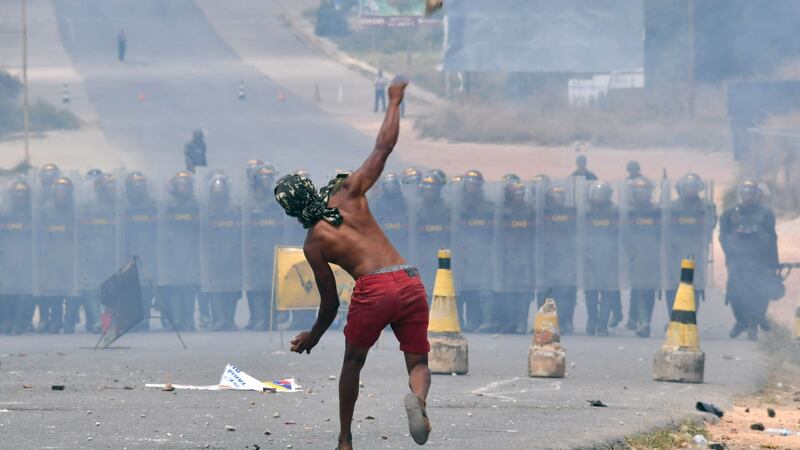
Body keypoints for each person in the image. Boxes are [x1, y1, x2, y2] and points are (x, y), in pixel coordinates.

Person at [274, 81, 431, 449]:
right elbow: (384, 147)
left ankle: (345, 440)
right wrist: (394, 100)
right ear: (312, 188)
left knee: (352, 364)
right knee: (418, 361)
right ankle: (419, 402)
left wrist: (312, 336)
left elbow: (329, 303)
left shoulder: (314, 242)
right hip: (407, 280)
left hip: (374, 288)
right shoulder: (349, 193)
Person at [720, 180, 779, 341]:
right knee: (734, 293)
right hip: (737, 260)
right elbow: (723, 237)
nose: (748, 196)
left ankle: (754, 325)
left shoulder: (766, 213)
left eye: (752, 193)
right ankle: (741, 321)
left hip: (760, 260)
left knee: (759, 293)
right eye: (745, 192)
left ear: (757, 195)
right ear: (740, 194)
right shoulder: (729, 213)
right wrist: (730, 255)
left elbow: (772, 238)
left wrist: (773, 263)